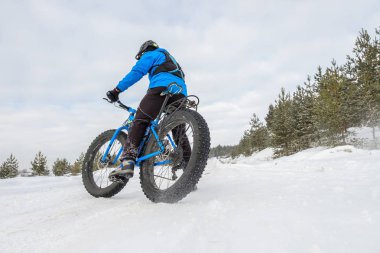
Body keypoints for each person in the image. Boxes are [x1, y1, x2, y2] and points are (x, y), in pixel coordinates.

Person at [106, 40, 187, 180]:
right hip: (180, 93)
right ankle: (190, 169)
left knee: (141, 119)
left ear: (144, 50)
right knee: (179, 133)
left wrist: (116, 90)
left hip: (162, 88)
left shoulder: (152, 54)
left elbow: (137, 72)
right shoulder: (171, 60)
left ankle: (127, 161)